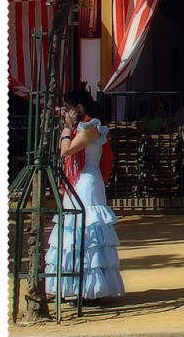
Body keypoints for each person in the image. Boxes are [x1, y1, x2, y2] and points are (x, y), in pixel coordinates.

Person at [45, 88, 125, 304]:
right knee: (71, 232)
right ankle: (69, 285)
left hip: (88, 181)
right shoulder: (78, 128)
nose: (66, 113)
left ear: (79, 109)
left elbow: (66, 150)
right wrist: (68, 129)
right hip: (75, 181)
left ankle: (90, 288)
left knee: (89, 233)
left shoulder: (91, 127)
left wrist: (67, 128)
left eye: (69, 109)